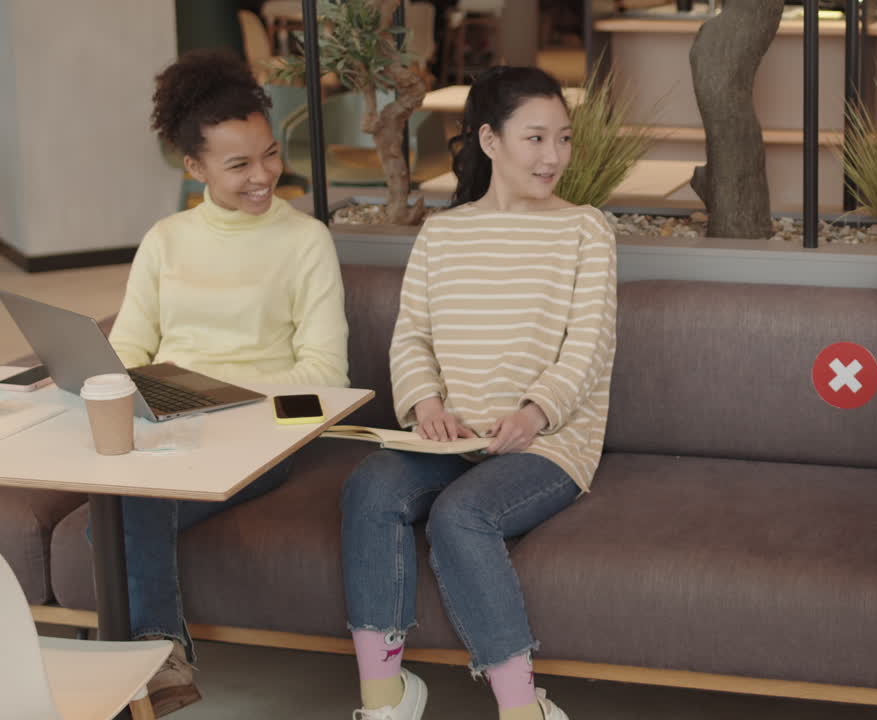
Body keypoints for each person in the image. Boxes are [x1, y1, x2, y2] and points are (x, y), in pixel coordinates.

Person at [341, 66, 616, 720]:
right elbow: (412, 337)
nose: (554, 157)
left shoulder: (585, 229)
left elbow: (589, 346)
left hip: (548, 444)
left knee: (460, 515)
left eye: (563, 138)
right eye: (536, 138)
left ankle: (523, 710)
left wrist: (534, 413)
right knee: (369, 489)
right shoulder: (442, 234)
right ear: (490, 141)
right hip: (451, 438)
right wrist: (426, 405)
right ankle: (385, 700)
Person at [107, 49, 349, 716]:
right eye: (239, 165)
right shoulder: (166, 239)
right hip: (170, 422)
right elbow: (129, 345)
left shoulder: (305, 241)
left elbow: (327, 373)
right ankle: (144, 661)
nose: (264, 175)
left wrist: (215, 392)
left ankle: (154, 655)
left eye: (269, 154)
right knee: (122, 493)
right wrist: (128, 384)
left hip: (262, 433)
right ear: (196, 167)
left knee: (130, 504)